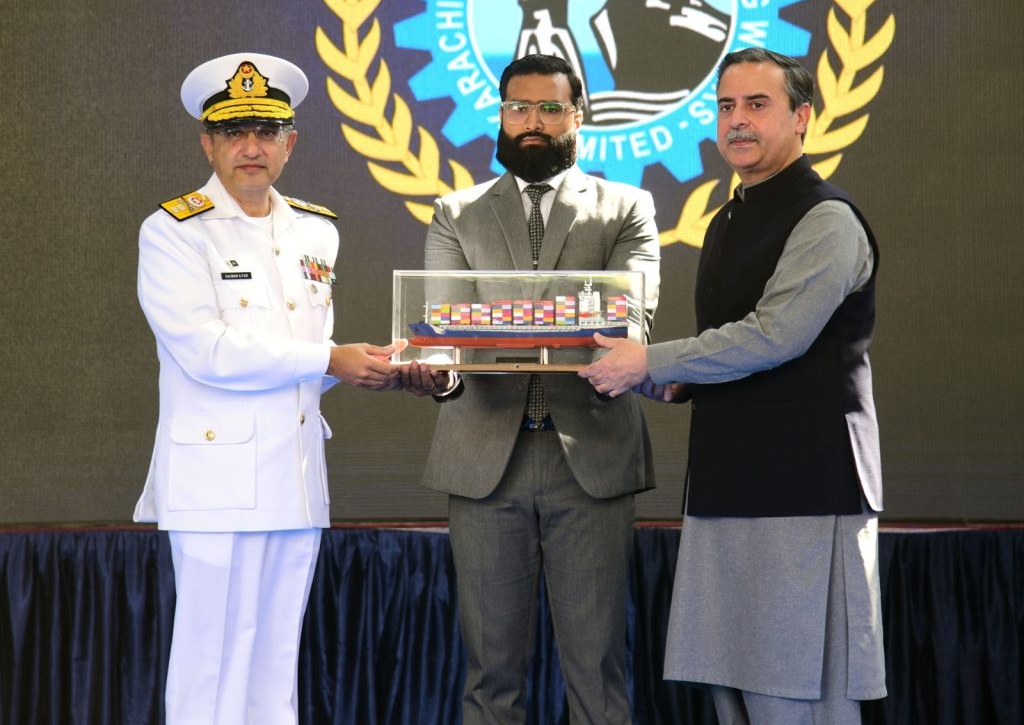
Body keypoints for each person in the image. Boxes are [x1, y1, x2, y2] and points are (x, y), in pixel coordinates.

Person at [581, 47, 886, 724]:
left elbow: (775, 336)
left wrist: (651, 360)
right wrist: (668, 380)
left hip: (806, 488)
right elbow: (730, 351)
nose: (737, 120)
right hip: (728, 485)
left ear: (801, 117)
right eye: (725, 106)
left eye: (757, 104)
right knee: (736, 692)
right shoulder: (729, 218)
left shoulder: (826, 219)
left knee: (799, 697)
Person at [134, 52, 401, 724]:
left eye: (266, 131)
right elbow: (207, 352)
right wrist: (331, 359)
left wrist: (367, 367)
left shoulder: (316, 230)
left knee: (275, 662)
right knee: (210, 666)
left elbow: (302, 355)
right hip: (216, 479)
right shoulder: (173, 230)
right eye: (233, 132)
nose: (250, 147)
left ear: (291, 143)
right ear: (208, 144)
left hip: (295, 474)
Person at [400, 53, 661, 724]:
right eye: (518, 108)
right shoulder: (456, 212)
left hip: (591, 459)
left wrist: (501, 326)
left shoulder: (626, 208)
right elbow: (444, 332)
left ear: (579, 116)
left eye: (550, 108)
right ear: (501, 115)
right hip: (484, 460)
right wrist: (439, 369)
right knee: (490, 679)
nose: (533, 122)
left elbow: (628, 322)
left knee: (597, 674)